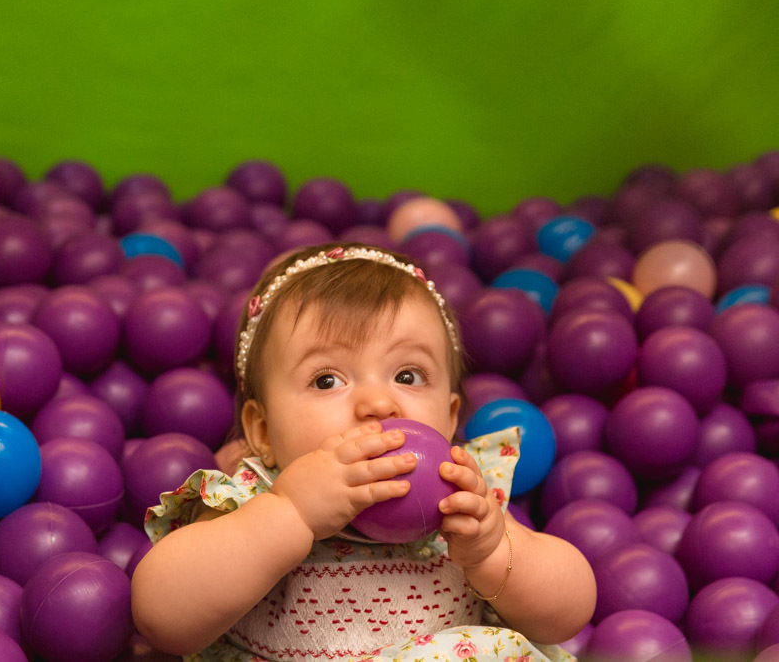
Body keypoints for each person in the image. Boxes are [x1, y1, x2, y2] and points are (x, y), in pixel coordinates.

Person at [132, 244, 596, 661]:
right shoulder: (249, 501)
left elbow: (567, 613)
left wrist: (493, 550)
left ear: (450, 419)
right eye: (327, 380)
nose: (378, 403)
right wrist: (289, 513)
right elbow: (162, 618)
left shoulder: (467, 502)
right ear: (263, 430)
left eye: (408, 376)